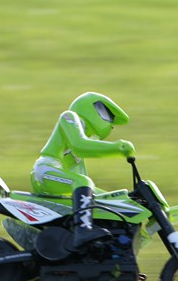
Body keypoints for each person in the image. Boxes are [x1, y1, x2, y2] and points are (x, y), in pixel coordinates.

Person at [30, 92, 135, 250]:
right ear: (91, 108)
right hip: (46, 170)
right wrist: (117, 147)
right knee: (84, 183)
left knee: (99, 196)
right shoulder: (69, 117)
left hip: (53, 174)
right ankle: (83, 230)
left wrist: (120, 199)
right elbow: (80, 145)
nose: (111, 125)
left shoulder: (78, 154)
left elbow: (85, 184)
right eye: (107, 115)